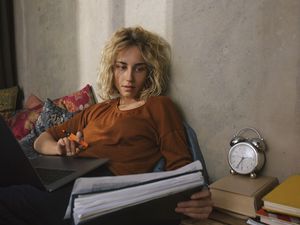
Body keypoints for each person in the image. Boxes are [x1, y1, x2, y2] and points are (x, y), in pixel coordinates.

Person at [1, 26, 212, 225]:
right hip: (66, 176)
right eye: (122, 67)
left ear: (149, 73)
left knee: (8, 199)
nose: (129, 77)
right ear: (112, 70)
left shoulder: (157, 106)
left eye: (138, 69)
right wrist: (58, 148)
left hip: (103, 191)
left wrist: (197, 195)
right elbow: (41, 140)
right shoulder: (97, 110)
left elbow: (181, 166)